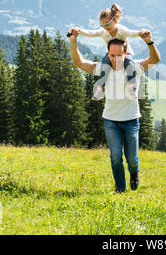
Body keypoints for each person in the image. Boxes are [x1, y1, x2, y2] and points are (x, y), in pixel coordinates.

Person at [68, 27, 160, 193]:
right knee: (116, 156)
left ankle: (134, 172)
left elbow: (154, 60)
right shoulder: (103, 69)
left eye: (119, 55)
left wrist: (149, 42)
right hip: (110, 120)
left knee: (131, 159)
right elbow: (79, 62)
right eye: (111, 55)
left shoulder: (135, 67)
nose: (115, 59)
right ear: (107, 54)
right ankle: (120, 189)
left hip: (131, 119)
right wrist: (73, 41)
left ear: (126, 54)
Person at [71, 4, 148, 101]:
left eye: (107, 24)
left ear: (115, 20)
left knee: (129, 65)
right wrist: (79, 31)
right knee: (104, 65)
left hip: (125, 53)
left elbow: (132, 33)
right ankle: (100, 89)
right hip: (111, 54)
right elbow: (91, 33)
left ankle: (132, 87)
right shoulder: (103, 31)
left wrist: (141, 32)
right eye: (102, 25)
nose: (105, 27)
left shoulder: (122, 30)